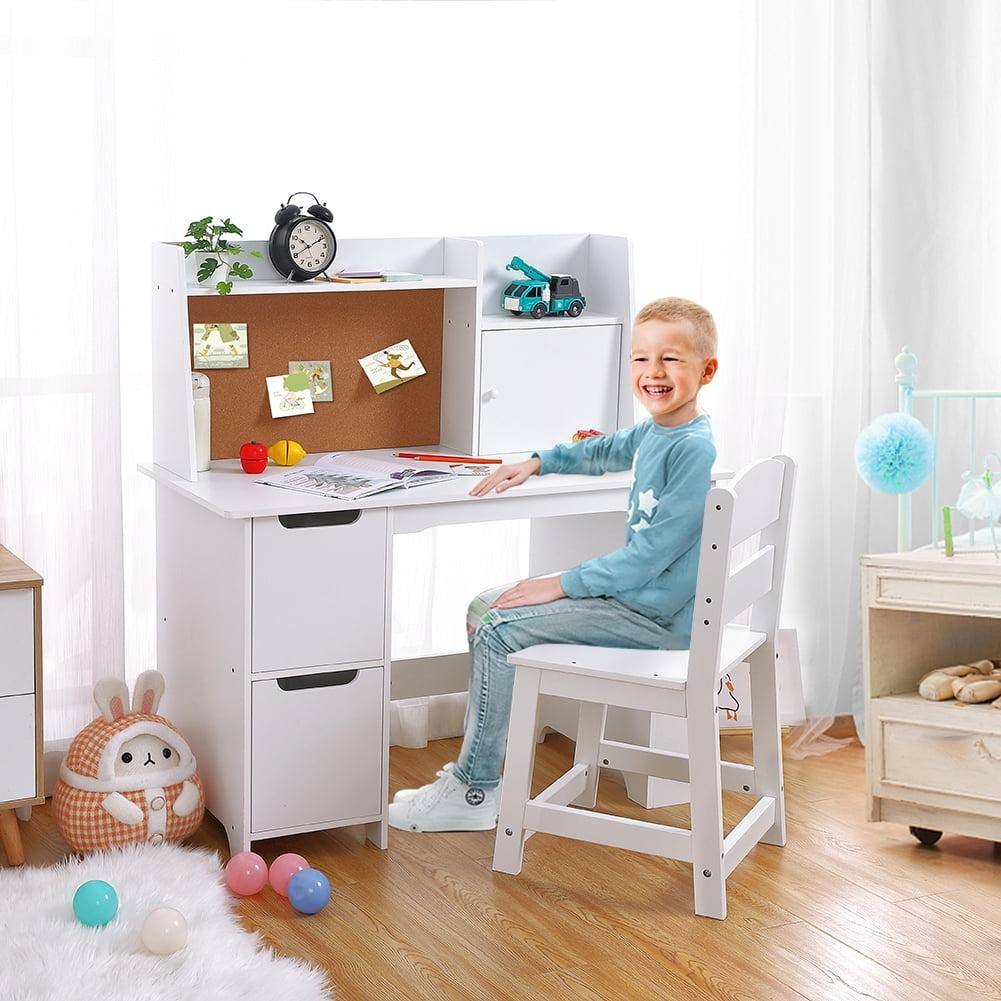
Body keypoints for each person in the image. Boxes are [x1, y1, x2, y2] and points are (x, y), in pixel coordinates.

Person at [388, 297, 719, 833]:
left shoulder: (693, 449)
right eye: (640, 359)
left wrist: (558, 584)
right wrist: (537, 462)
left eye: (671, 360)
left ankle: (475, 791)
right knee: (484, 606)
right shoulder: (661, 431)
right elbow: (605, 451)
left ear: (706, 370)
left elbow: (646, 559)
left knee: (497, 628)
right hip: (638, 603)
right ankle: (469, 779)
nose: (653, 373)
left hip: (654, 620)